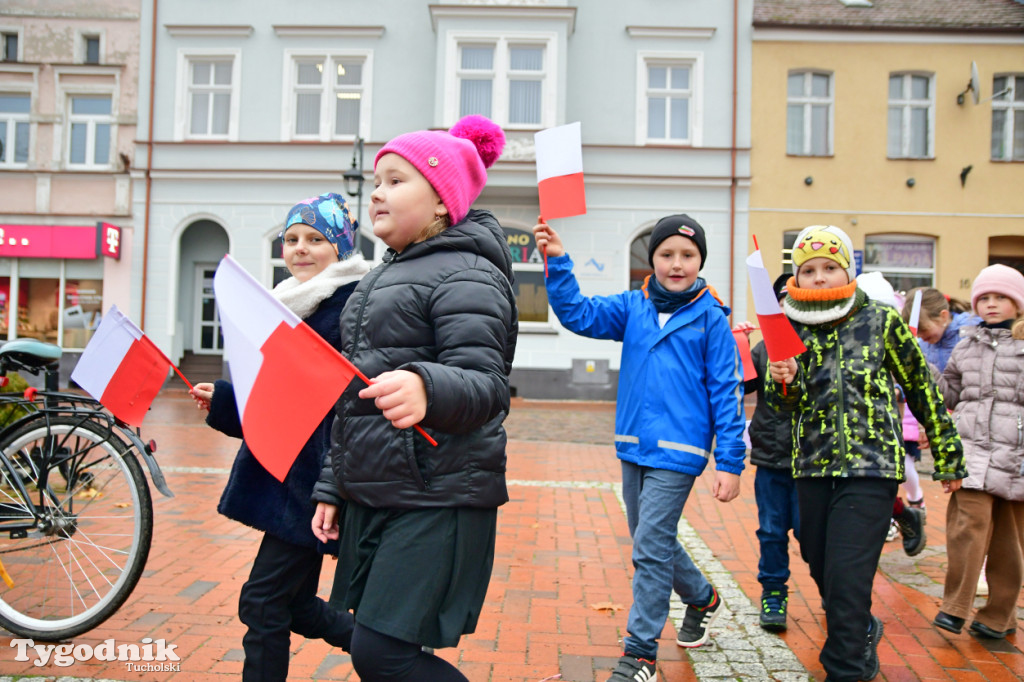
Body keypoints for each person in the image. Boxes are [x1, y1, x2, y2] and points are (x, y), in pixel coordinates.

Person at [309, 114, 517, 682]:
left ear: (443, 203)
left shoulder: (468, 272)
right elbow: (353, 395)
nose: (377, 192)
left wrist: (428, 385)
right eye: (377, 181)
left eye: (396, 181)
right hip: (382, 489)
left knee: (382, 653)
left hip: (439, 492)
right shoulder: (381, 276)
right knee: (371, 648)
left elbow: (488, 385)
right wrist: (334, 485)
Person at [533, 214, 746, 682]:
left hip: (681, 450)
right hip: (634, 444)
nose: (677, 264)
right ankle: (701, 597)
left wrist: (730, 462)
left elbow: (726, 392)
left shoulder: (712, 317)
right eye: (667, 254)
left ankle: (641, 654)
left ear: (700, 261)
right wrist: (557, 260)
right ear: (651, 259)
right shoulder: (634, 306)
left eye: (687, 255)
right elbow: (579, 314)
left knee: (649, 547)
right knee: (653, 539)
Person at [767, 225, 963, 682]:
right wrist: (786, 379)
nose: (819, 278)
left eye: (829, 267)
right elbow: (779, 407)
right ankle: (860, 629)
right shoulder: (787, 325)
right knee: (821, 564)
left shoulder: (880, 319)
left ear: (847, 270)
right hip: (812, 466)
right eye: (809, 269)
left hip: (871, 467)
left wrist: (948, 454)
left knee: (849, 577)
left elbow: (921, 388)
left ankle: (847, 666)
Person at [189, 192, 369, 682]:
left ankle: (389, 652)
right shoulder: (290, 302)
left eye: (315, 239)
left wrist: (331, 482)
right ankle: (389, 652)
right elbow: (279, 398)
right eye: (291, 239)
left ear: (341, 247)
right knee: (295, 606)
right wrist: (226, 401)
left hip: (313, 482)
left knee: (262, 602)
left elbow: (341, 404)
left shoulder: (347, 308)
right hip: (290, 474)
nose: (300, 248)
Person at [932, 264, 1024, 640]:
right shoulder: (966, 344)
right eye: (984, 298)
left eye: (1000, 297)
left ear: (1017, 304)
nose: (991, 304)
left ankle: (999, 616)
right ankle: (955, 607)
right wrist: (927, 373)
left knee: (1008, 543)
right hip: (972, 455)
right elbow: (949, 394)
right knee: (966, 528)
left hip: (1015, 458)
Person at [735, 273, 800, 632]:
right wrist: (743, 346)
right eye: (782, 299)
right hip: (772, 457)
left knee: (813, 534)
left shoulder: (818, 342)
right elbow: (745, 385)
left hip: (812, 460)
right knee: (772, 531)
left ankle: (831, 591)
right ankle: (773, 593)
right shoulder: (764, 348)